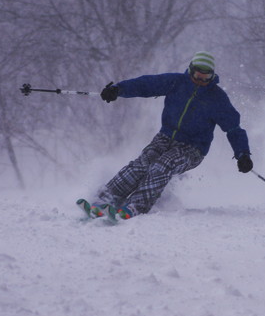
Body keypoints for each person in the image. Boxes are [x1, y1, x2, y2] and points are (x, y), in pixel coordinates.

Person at [79, 51, 253, 221]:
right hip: (165, 138)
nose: (200, 81)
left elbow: (233, 129)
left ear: (212, 77)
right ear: (190, 70)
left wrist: (242, 154)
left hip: (193, 148)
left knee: (162, 166)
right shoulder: (176, 82)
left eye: (205, 78)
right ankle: (104, 200)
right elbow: (146, 85)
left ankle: (135, 206)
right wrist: (118, 89)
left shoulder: (217, 98)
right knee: (142, 164)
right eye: (197, 75)